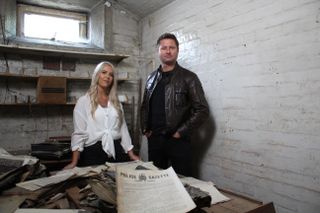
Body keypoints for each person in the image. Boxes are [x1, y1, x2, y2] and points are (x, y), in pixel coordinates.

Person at [140, 33, 209, 176]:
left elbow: (202, 110)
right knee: (156, 180)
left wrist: (180, 132)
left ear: (177, 50)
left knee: (183, 183)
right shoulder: (151, 78)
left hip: (178, 141)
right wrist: (145, 129)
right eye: (164, 48)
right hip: (155, 140)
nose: (168, 51)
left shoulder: (189, 77)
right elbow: (145, 106)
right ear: (158, 51)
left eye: (172, 47)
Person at [64, 61, 139, 169]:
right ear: (97, 75)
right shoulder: (84, 101)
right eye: (104, 72)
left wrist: (131, 154)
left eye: (111, 75)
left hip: (116, 151)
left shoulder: (116, 102)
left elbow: (123, 129)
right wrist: (74, 162)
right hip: (93, 152)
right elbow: (79, 133)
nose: (107, 77)